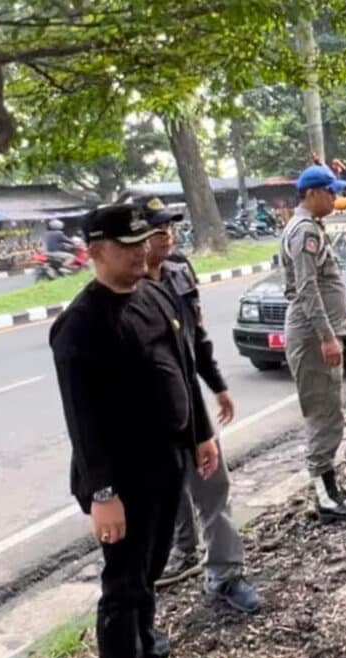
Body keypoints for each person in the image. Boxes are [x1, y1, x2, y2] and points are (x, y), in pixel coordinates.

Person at [50, 204, 217, 658]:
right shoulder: (81, 325)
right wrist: (101, 494)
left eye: (145, 241)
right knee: (123, 590)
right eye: (128, 246)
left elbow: (182, 365)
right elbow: (82, 420)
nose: (143, 251)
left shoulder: (154, 295)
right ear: (95, 252)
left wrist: (200, 435)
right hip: (119, 484)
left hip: (165, 464)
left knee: (149, 577)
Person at [141, 199, 261, 615]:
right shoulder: (127, 289)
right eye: (157, 230)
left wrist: (218, 385)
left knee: (212, 486)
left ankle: (225, 574)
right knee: (165, 495)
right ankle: (178, 553)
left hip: (188, 401)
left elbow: (197, 340)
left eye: (170, 228)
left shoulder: (178, 273)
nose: (167, 235)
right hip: (148, 413)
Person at [282, 166, 346, 523]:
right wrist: (327, 336)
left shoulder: (311, 227)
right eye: (330, 192)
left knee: (330, 409)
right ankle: (325, 497)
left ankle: (329, 485)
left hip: (319, 334)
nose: (334, 198)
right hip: (312, 335)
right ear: (311, 193)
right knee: (322, 412)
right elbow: (307, 289)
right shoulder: (304, 231)